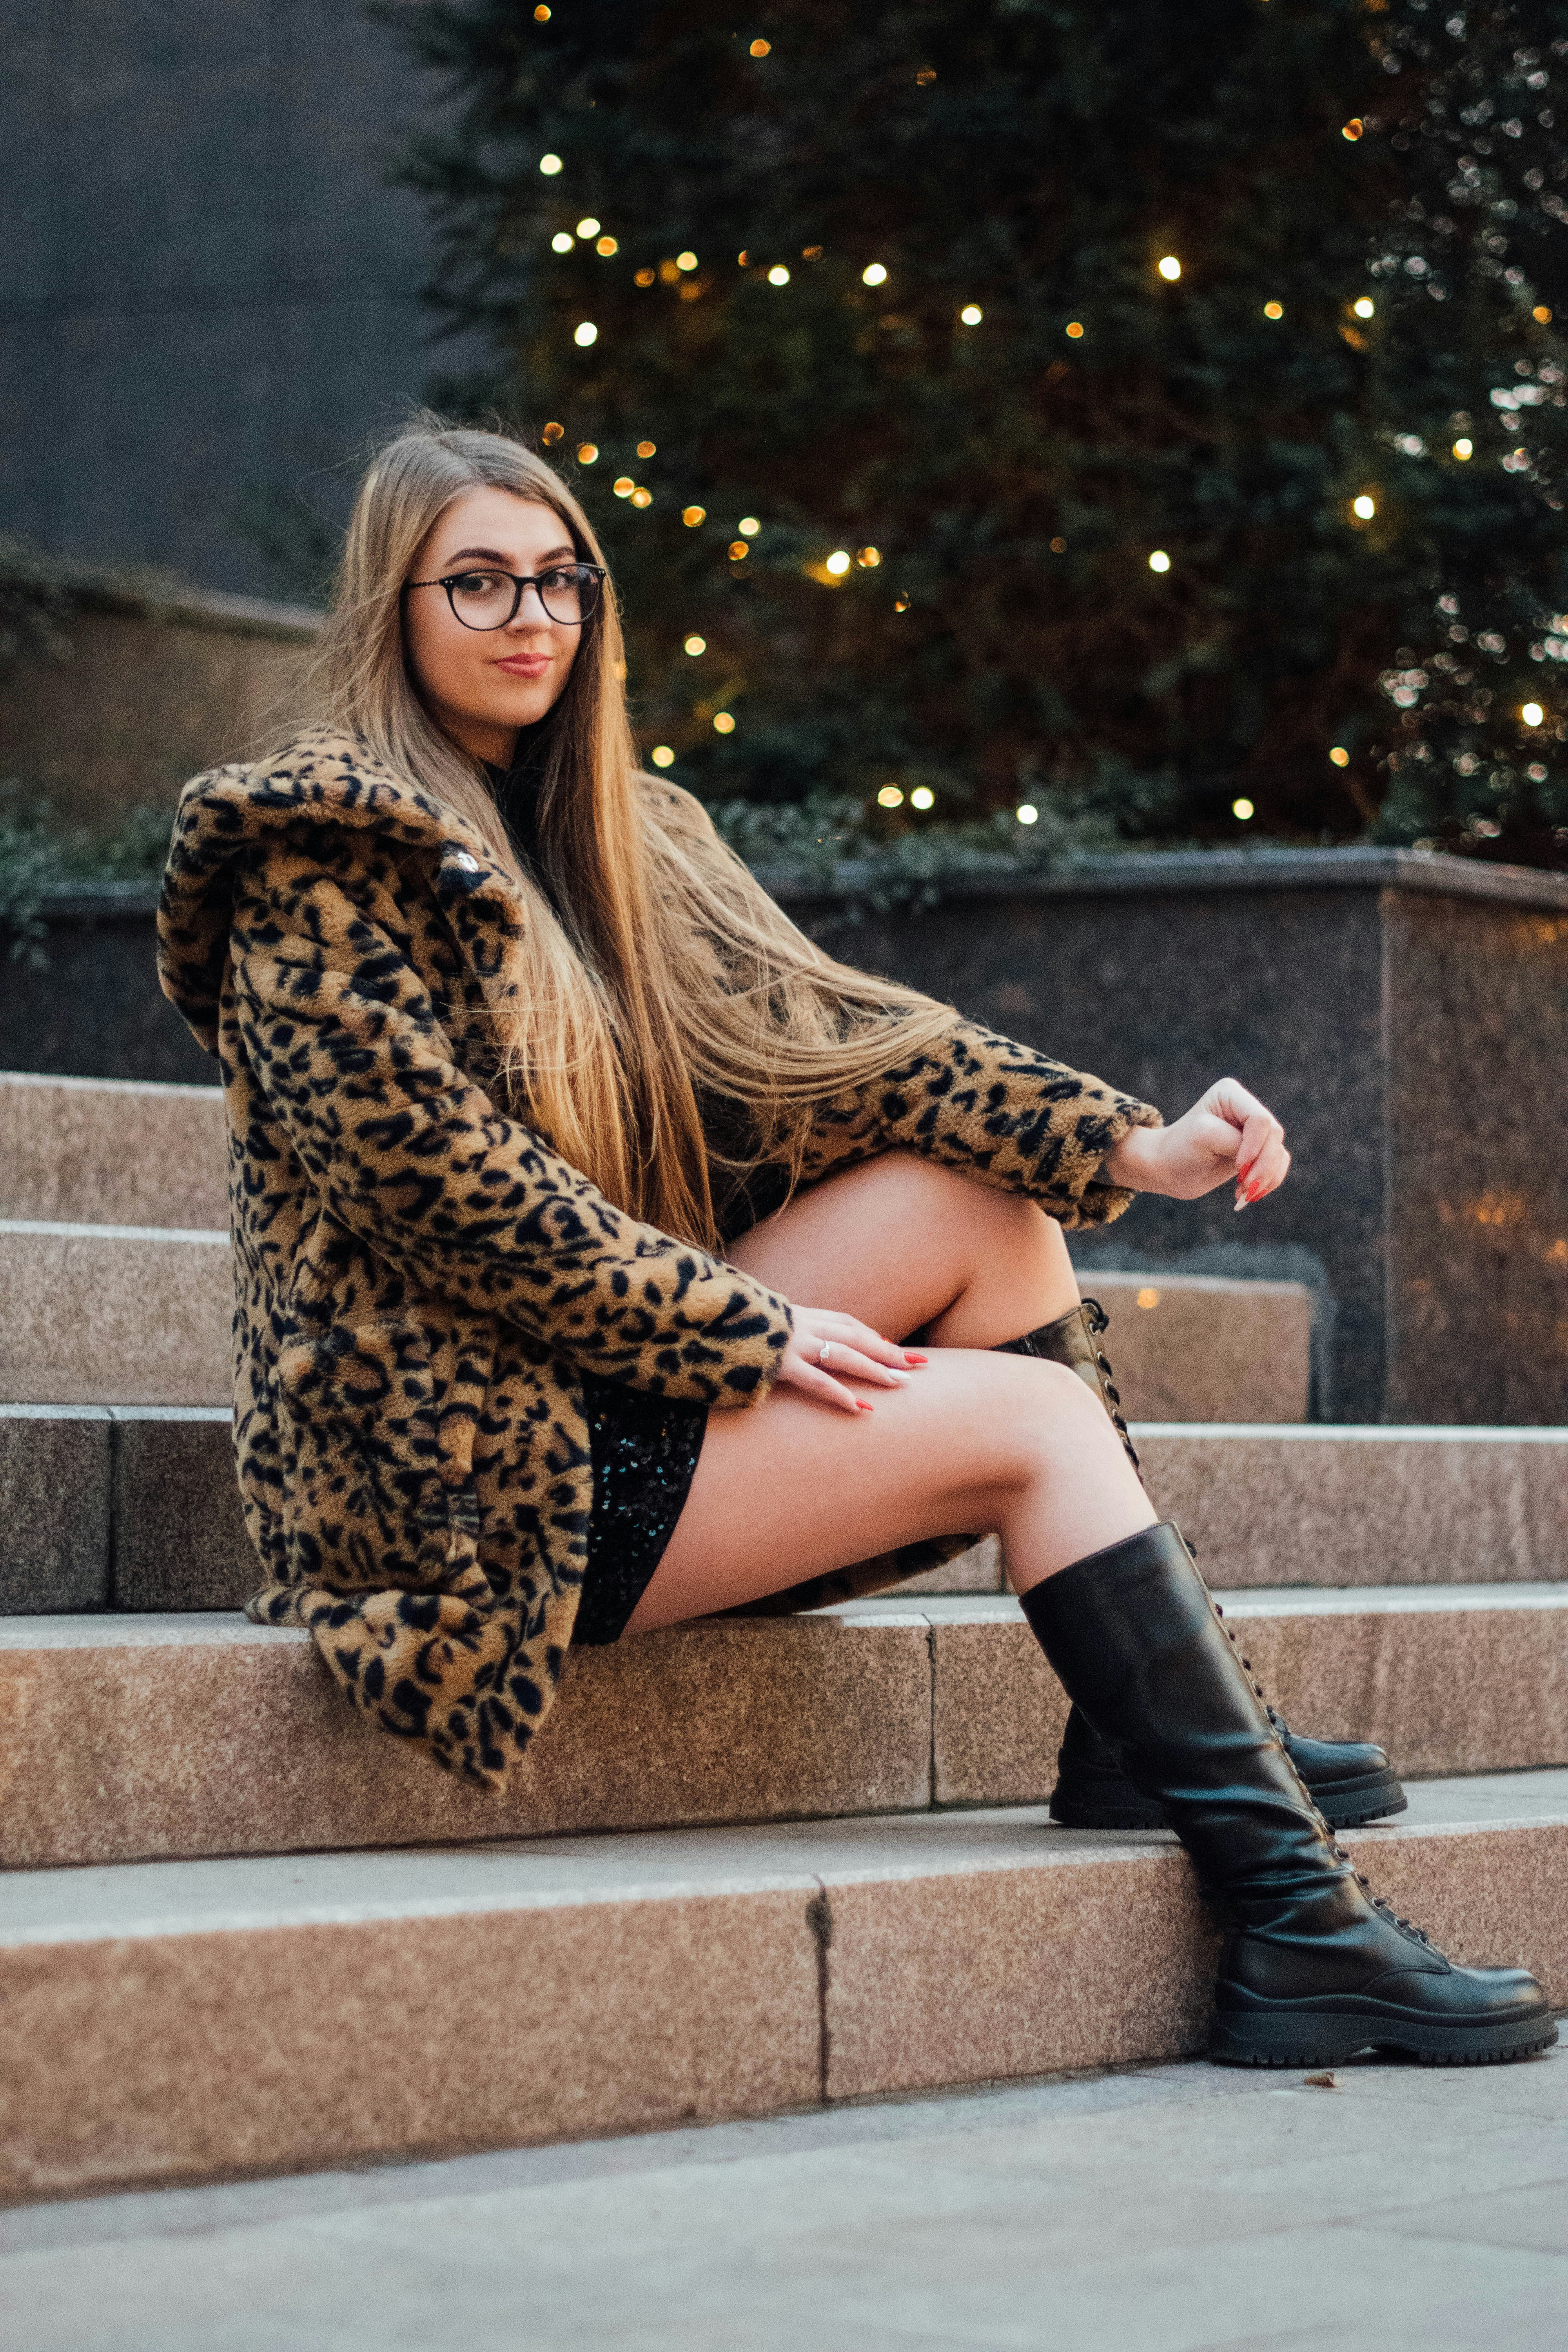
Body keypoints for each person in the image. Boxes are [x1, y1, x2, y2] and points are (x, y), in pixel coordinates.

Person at [157, 421, 1553, 2070]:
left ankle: (1137, 1743)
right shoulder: (318, 857)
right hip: (464, 1484)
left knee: (978, 1205)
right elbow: (436, 1188)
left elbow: (842, 1048)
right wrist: (727, 1324)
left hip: (598, 1387)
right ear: (393, 602)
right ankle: (1297, 1927)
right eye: (476, 582)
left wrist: (1127, 1142)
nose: (530, 616)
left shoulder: (626, 834)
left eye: (560, 580)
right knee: (1030, 1424)